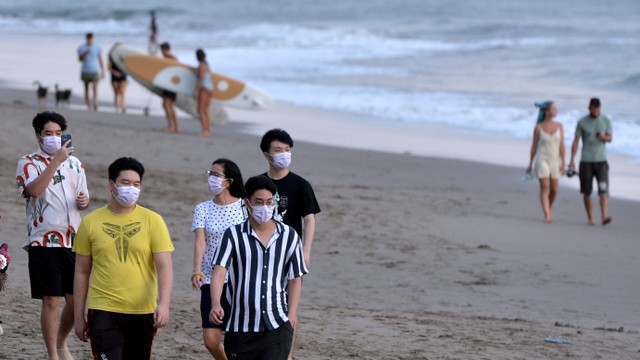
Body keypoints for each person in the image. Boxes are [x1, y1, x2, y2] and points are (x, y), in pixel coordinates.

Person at [73, 157, 174, 359]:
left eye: (136, 184)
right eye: (125, 183)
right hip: (103, 309)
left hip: (142, 310)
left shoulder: (153, 221)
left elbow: (164, 267)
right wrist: (78, 317)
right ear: (112, 185)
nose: (131, 188)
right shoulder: (90, 222)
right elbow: (82, 271)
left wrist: (163, 304)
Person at [15, 111, 90, 360]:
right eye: (49, 134)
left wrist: (84, 200)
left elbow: (82, 198)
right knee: (51, 300)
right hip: (43, 239)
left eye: (58, 134)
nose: (54, 138)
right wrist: (55, 161)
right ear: (38, 136)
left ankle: (61, 341)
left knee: (76, 301)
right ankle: (53, 355)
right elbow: (34, 190)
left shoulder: (75, 163)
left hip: (73, 239)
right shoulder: (27, 162)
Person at [209, 175, 308, 360]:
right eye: (259, 202)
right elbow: (219, 271)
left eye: (269, 202)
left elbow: (295, 279)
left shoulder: (290, 236)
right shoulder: (233, 234)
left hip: (277, 325)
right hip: (240, 327)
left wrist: (291, 316)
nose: (265, 207)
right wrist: (215, 303)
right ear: (247, 203)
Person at [258, 128, 320, 360]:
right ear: (266, 154)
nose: (283, 154)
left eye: (287, 150)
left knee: (288, 305)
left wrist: (306, 250)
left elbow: (310, 219)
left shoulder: (300, 185)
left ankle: (287, 354)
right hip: (262, 252)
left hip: (290, 254)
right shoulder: (259, 183)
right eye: (278, 150)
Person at [191, 158, 247, 359]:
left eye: (217, 175)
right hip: (210, 277)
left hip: (239, 280)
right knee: (211, 340)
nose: (211, 178)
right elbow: (200, 241)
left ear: (229, 181)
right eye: (210, 174)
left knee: (237, 337)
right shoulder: (202, 208)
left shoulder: (244, 207)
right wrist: (197, 269)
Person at [569, 98, 613, 225]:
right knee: (586, 191)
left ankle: (604, 216)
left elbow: (610, 138)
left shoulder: (605, 121)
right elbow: (576, 141)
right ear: (589, 108)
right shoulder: (582, 122)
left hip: (601, 161)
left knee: (603, 190)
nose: (596, 111)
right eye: (594, 108)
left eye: (598, 108)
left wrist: (602, 137)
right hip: (586, 161)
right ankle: (590, 217)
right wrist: (572, 160)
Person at [526, 101, 565, 223]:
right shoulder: (538, 127)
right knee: (544, 186)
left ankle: (548, 207)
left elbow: (562, 145)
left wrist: (564, 162)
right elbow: (534, 147)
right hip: (542, 159)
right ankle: (547, 214)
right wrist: (530, 164)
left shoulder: (559, 126)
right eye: (553, 109)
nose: (556, 111)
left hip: (555, 160)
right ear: (547, 112)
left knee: (554, 190)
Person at [77, 32, 104, 111]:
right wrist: (84, 54)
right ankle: (88, 104)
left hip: (94, 69)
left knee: (95, 88)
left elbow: (100, 59)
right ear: (86, 39)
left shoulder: (97, 47)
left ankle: (95, 103)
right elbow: (79, 59)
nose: (89, 40)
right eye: (88, 39)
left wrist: (102, 71)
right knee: (86, 88)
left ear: (93, 39)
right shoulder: (82, 47)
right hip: (85, 70)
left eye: (91, 39)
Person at [160, 42, 180, 133]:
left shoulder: (172, 58)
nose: (162, 53)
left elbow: (175, 73)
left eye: (162, 50)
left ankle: (171, 126)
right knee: (168, 105)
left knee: (167, 104)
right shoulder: (171, 58)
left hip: (170, 86)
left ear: (165, 50)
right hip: (170, 86)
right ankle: (175, 126)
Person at [195, 48, 214, 137]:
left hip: (204, 89)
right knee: (206, 110)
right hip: (210, 88)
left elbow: (201, 79)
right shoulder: (207, 65)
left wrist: (196, 91)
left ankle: (205, 130)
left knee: (200, 110)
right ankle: (208, 129)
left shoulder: (201, 65)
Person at [108, 43, 127, 113]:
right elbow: (109, 67)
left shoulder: (124, 56)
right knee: (116, 92)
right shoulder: (111, 56)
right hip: (114, 75)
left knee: (122, 92)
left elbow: (128, 66)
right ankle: (116, 108)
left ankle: (123, 107)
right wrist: (115, 73)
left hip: (123, 75)